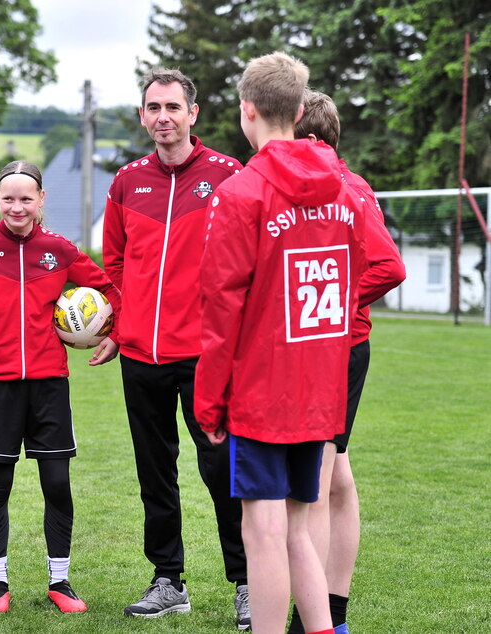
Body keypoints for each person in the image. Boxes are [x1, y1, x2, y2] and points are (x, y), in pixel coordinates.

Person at [194, 52, 369, 634]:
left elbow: (220, 310)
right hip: (322, 386)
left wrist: (209, 401)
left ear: (247, 110)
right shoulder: (343, 191)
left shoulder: (240, 193)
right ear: (298, 111)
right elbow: (367, 269)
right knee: (299, 526)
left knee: (263, 531)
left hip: (264, 392)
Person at [100, 68, 249, 628]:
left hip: (205, 354)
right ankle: (169, 579)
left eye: (172, 107)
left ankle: (247, 580)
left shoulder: (228, 176)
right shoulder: (126, 182)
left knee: (221, 469)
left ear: (193, 114)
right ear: (143, 116)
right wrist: (120, 325)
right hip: (141, 356)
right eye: (152, 107)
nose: (162, 117)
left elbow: (244, 262)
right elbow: (113, 265)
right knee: (154, 472)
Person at [0, 160, 121, 614]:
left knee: (56, 482)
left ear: (40, 201)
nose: (17, 207)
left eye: (26, 199)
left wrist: (116, 333)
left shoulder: (59, 249)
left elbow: (110, 289)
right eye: (8, 198)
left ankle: (60, 581)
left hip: (49, 385)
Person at [285, 89, 406, 634]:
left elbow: (389, 266)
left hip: (334, 351)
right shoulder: (324, 183)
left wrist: (328, 300)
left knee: (315, 483)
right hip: (323, 349)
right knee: (337, 480)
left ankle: (314, 618)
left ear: (306, 136)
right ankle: (333, 612)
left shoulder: (344, 186)